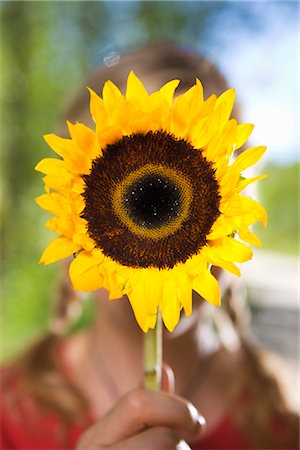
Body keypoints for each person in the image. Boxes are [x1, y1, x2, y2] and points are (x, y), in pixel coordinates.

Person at [1, 42, 298, 450]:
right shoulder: (10, 414)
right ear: (70, 205)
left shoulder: (283, 427)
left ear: (241, 208)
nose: (151, 222)